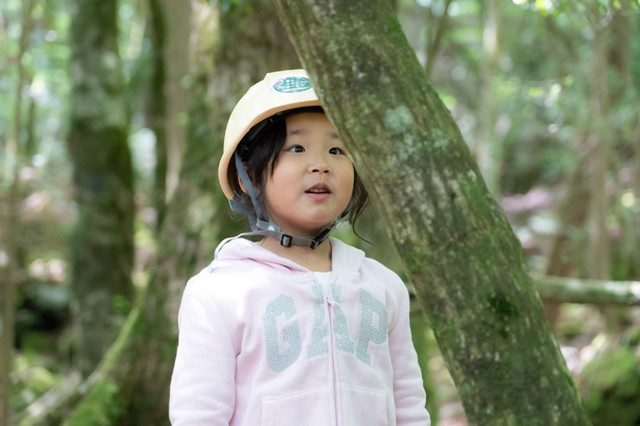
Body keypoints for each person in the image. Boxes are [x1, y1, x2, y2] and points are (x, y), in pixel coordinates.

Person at [169, 69, 431, 426]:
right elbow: (199, 416)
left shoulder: (382, 286)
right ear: (247, 175)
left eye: (337, 149)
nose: (321, 164)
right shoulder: (219, 292)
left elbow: (409, 406)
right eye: (297, 147)